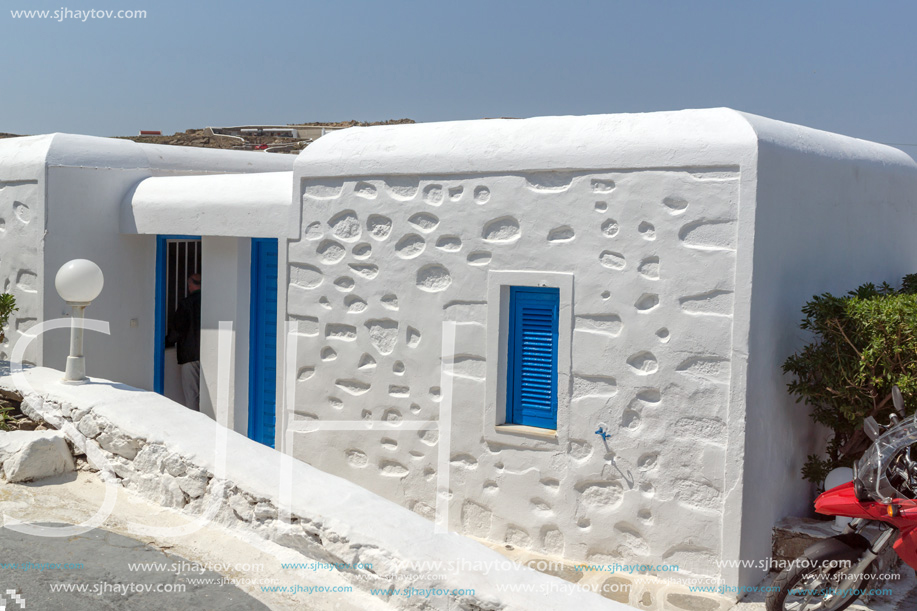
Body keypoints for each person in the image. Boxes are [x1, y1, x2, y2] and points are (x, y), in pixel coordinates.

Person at [166, 273, 201, 411]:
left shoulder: (186, 304)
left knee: (191, 394)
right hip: (206, 354)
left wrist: (166, 342)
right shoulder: (210, 301)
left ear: (190, 285)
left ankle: (194, 426)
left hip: (189, 355)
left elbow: (177, 329)